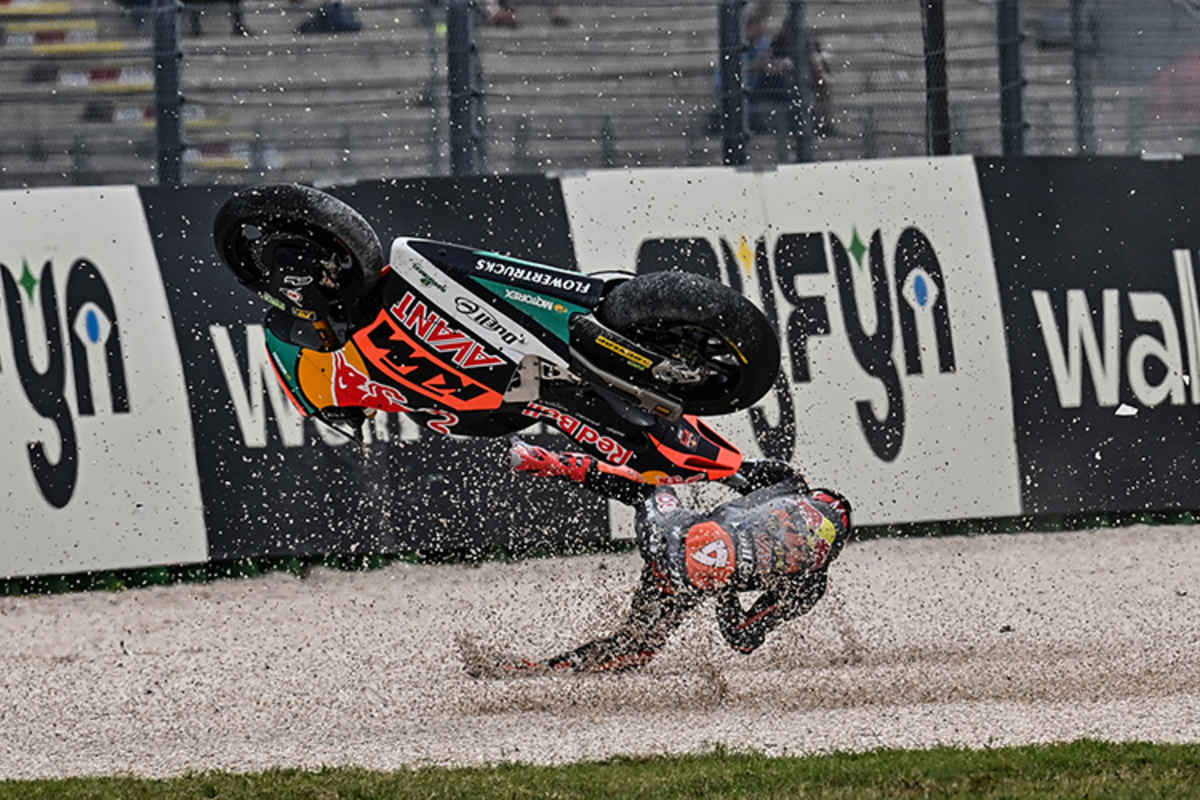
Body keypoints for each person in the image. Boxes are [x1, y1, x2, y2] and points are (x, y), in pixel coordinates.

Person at [462, 439, 853, 675]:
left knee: (649, 484)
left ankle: (549, 461)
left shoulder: (787, 481)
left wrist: (721, 573)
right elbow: (742, 639)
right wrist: (724, 586)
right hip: (684, 579)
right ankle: (542, 675)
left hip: (673, 532)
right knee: (636, 651)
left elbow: (719, 468)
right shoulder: (810, 585)